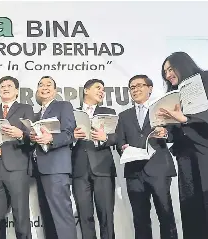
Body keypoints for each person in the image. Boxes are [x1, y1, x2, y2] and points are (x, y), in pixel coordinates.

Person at [115, 75, 178, 239]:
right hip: (134, 172)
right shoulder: (124, 116)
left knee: (165, 215)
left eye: (139, 86)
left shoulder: (161, 109)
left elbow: (174, 133)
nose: (135, 90)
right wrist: (123, 148)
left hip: (158, 169)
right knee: (140, 219)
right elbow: (119, 141)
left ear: (150, 88)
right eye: (132, 87)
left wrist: (165, 133)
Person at [159, 51, 208, 239]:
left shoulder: (205, 79)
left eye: (171, 69)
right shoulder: (172, 94)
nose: (168, 75)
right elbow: (175, 129)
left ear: (183, 64)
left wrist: (186, 118)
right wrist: (165, 133)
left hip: (204, 149)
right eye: (165, 72)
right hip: (184, 155)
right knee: (190, 206)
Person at [0, 76, 34, 239]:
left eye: (9, 85)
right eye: (2, 86)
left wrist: (21, 135)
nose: (5, 88)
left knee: (21, 216)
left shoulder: (26, 109)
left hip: (17, 167)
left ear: (17, 91)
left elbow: (33, 137)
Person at [30, 76, 77, 239]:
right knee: (48, 217)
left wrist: (51, 139)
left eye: (49, 85)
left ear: (55, 90)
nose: (44, 87)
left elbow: (70, 134)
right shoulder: (36, 115)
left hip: (56, 168)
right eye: (41, 84)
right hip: (39, 169)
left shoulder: (63, 106)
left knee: (62, 216)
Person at [72, 79, 116, 239]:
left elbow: (117, 137)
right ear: (86, 90)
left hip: (103, 169)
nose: (101, 92)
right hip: (79, 171)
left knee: (106, 217)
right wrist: (73, 137)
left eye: (103, 90)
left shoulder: (108, 111)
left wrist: (106, 138)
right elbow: (65, 138)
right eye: (98, 88)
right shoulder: (72, 113)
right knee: (85, 218)